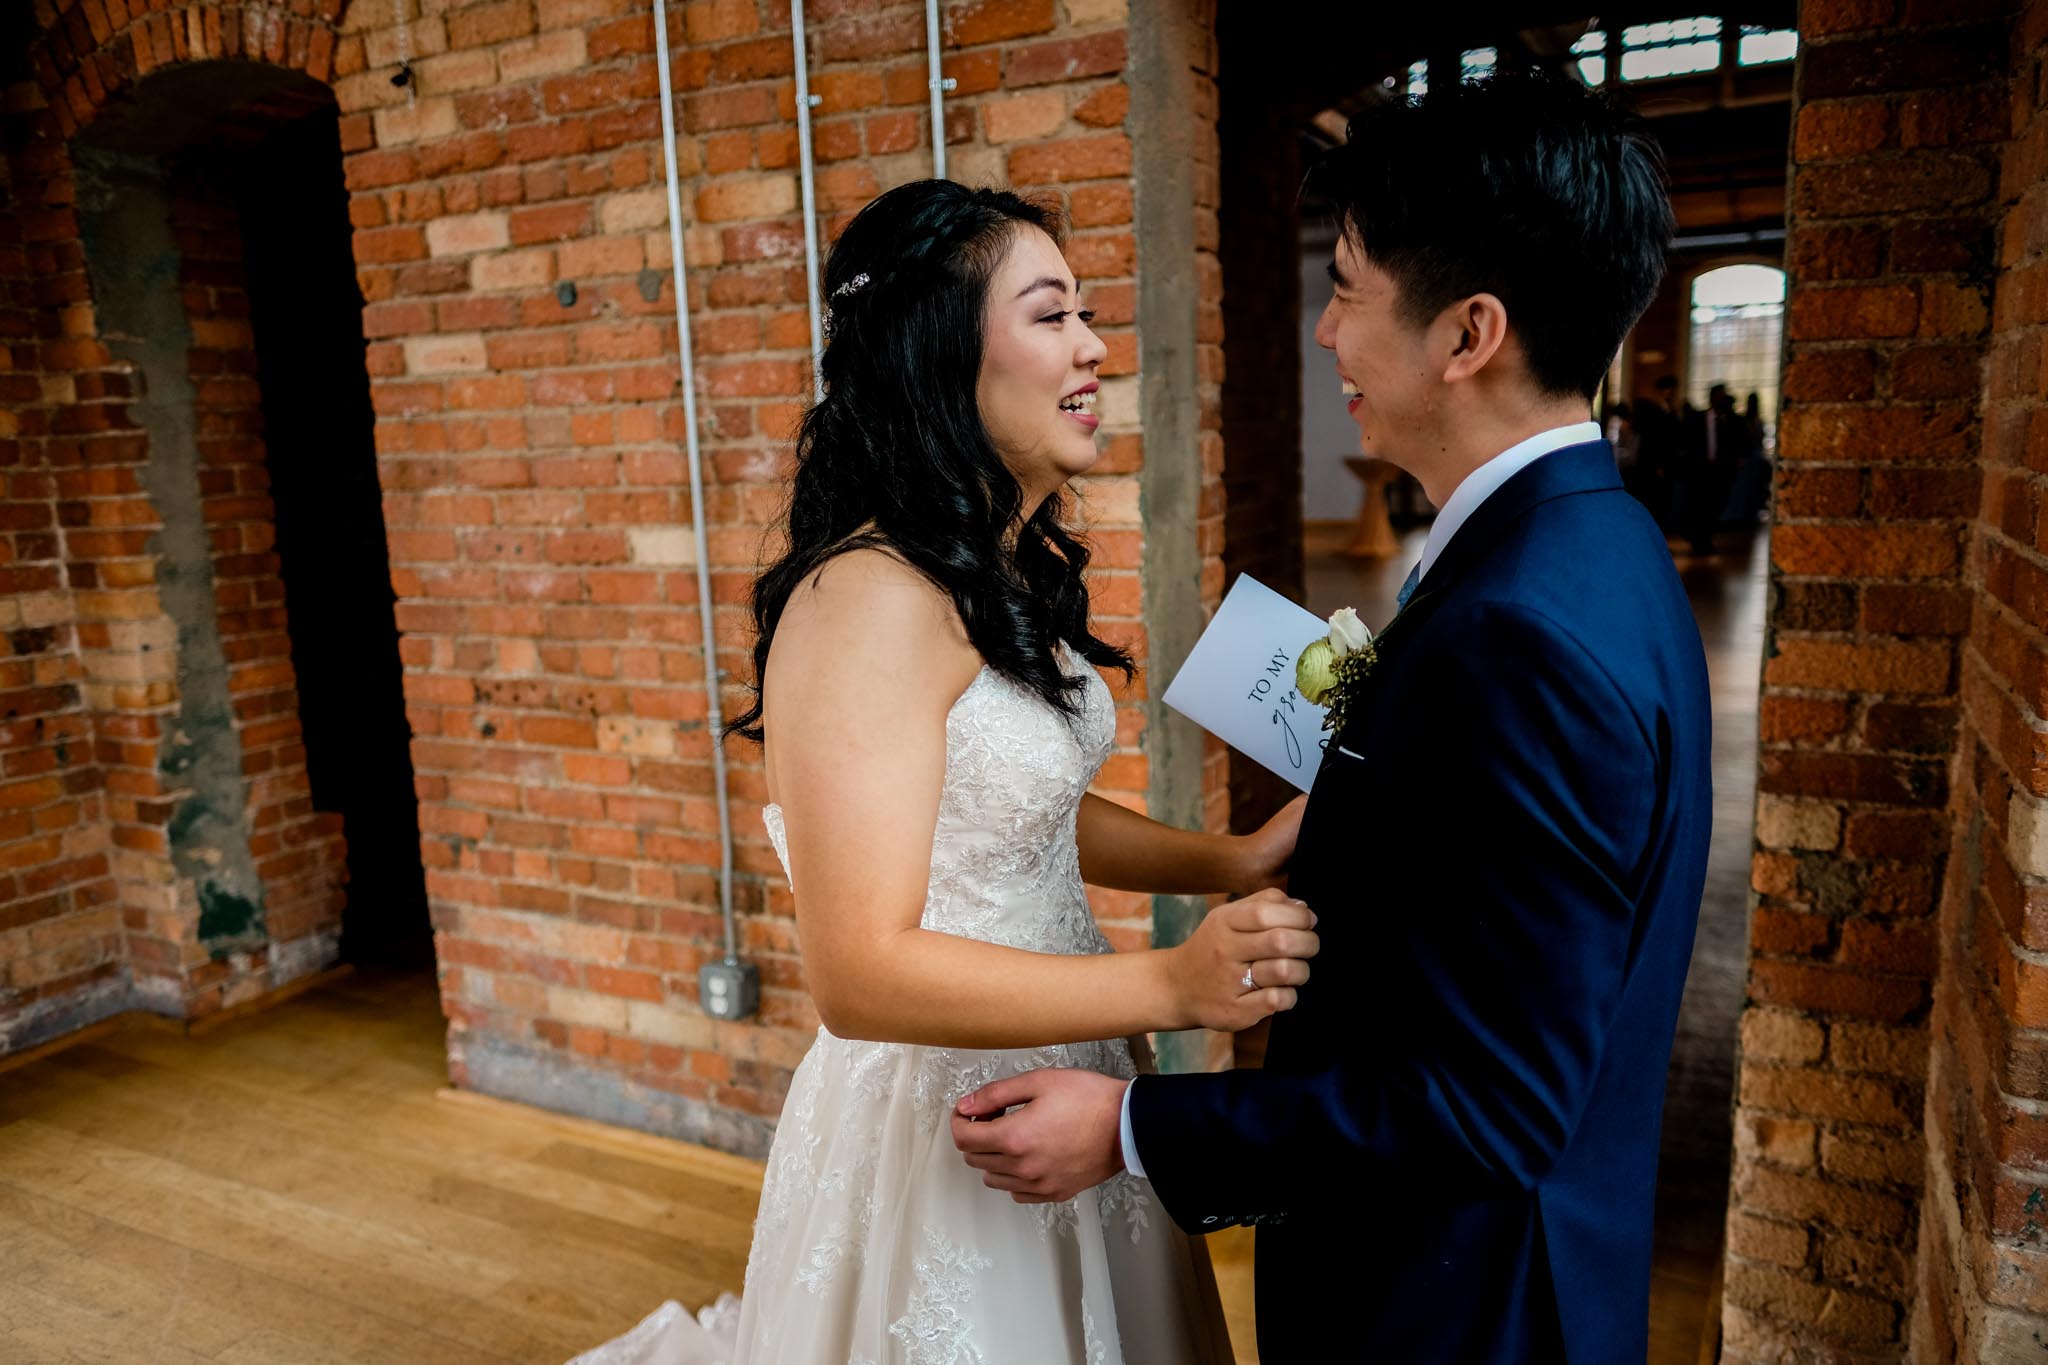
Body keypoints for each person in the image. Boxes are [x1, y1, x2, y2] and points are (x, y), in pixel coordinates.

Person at [952, 67, 1711, 1365]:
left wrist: (1133, 1129)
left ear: (1469, 334)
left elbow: (1489, 1108)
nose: (1325, 334)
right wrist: (1335, 742)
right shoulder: (1593, 541)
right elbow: (1466, 812)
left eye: (1348, 290)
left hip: (1455, 1306)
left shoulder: (1518, 629)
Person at [569, 180, 1317, 1365]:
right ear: (939, 352)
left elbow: (1015, 820)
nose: (1093, 346)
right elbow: (857, 973)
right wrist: (1170, 988)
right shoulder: (864, 598)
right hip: (942, 1114)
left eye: (1084, 314)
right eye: (1050, 314)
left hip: (1076, 1067)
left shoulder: (997, 566)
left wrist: (1227, 860)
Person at [1679, 381, 1753, 554]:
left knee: (1715, 506)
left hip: (1721, 473)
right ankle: (1699, 540)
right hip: (1699, 472)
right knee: (1698, 507)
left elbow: (1742, 444)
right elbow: (1686, 443)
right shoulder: (1696, 419)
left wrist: (1737, 462)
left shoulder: (1732, 421)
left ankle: (1705, 538)